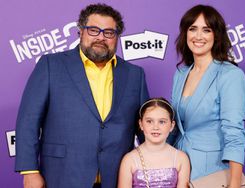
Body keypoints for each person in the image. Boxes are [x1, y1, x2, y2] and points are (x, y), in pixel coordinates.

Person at [15, 3, 149, 188]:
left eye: (109, 32)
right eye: (94, 30)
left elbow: (146, 128)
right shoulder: (50, 65)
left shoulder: (135, 74)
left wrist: (158, 163)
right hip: (62, 175)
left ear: (117, 37)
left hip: (118, 178)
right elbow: (28, 121)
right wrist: (29, 171)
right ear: (80, 32)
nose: (101, 37)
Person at [170, 4, 245, 188]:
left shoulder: (230, 75)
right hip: (179, 170)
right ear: (185, 34)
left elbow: (234, 131)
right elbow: (174, 125)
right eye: (192, 29)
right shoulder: (181, 74)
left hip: (214, 171)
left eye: (206, 30)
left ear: (216, 35)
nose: (198, 36)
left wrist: (234, 183)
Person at [118, 98, 190, 188]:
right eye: (149, 121)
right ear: (141, 124)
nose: (155, 127)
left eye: (162, 122)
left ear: (172, 125)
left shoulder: (181, 158)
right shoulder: (129, 160)